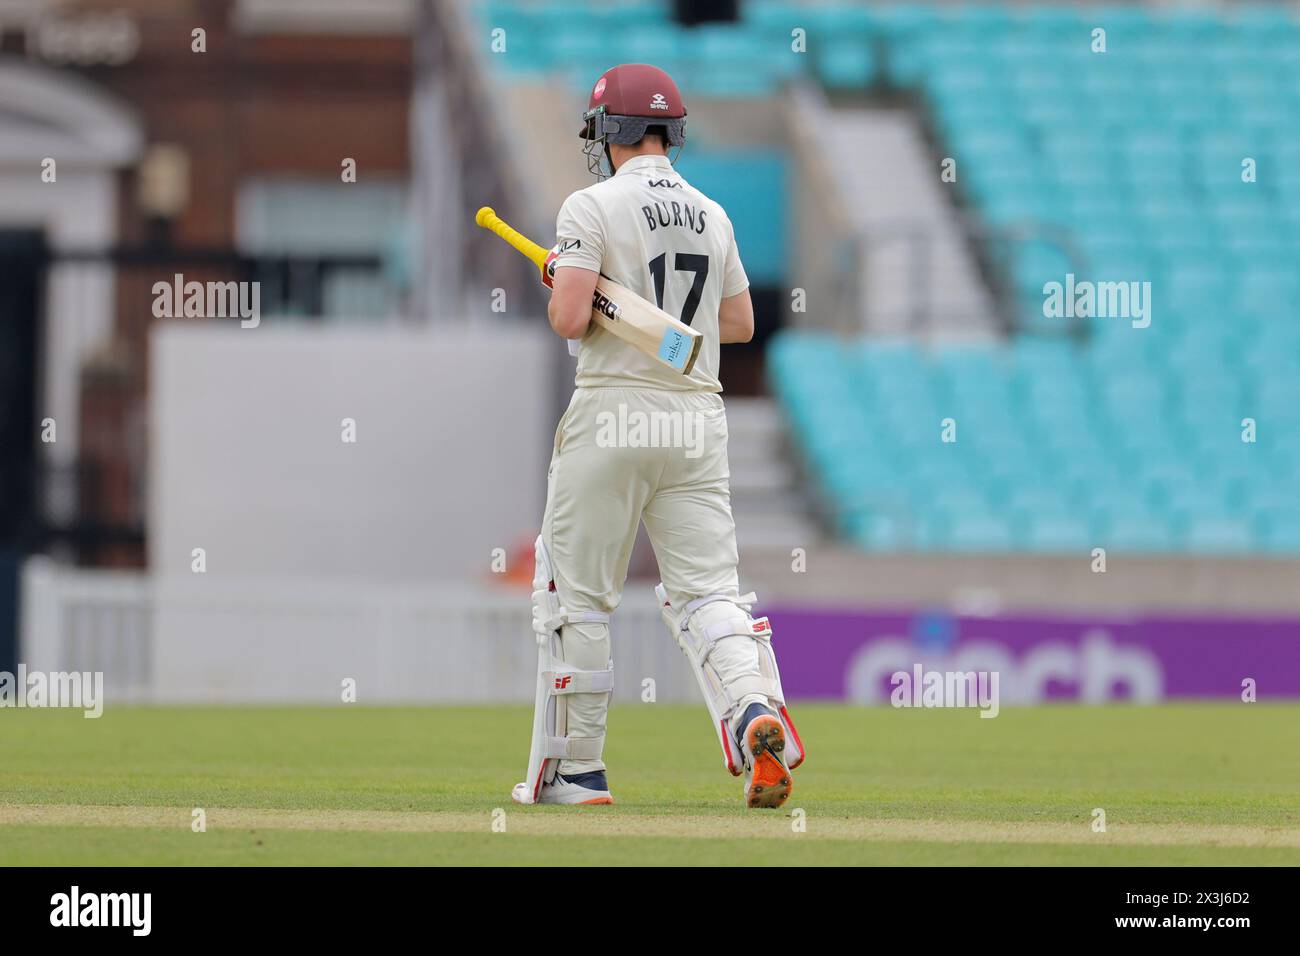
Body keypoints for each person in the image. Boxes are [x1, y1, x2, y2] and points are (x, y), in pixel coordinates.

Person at [513, 63, 804, 809]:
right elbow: (736, 325)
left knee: (575, 598)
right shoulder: (713, 213)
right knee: (709, 593)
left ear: (608, 131)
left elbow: (572, 319)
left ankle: (576, 772)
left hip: (613, 410)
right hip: (696, 417)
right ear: (671, 132)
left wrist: (562, 279)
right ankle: (751, 709)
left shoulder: (590, 205)